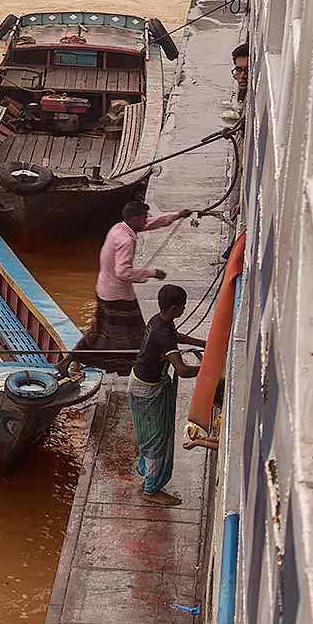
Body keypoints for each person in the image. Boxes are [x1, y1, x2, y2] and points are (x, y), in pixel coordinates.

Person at [70, 200, 195, 373]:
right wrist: (152, 272)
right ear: (134, 219)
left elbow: (151, 223)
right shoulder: (126, 240)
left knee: (97, 332)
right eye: (144, 218)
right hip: (117, 296)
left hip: (104, 289)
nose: (146, 220)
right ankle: (132, 365)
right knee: (134, 335)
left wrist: (176, 215)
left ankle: (71, 359)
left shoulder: (119, 228)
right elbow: (123, 272)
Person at [130, 284, 206, 506]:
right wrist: (207, 367)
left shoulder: (159, 320)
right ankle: (151, 491)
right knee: (156, 440)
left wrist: (204, 344)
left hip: (144, 381)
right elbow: (182, 370)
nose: (184, 309)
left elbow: (175, 337)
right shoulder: (162, 332)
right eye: (183, 306)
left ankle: (149, 474)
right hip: (147, 390)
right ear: (174, 308)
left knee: (154, 435)